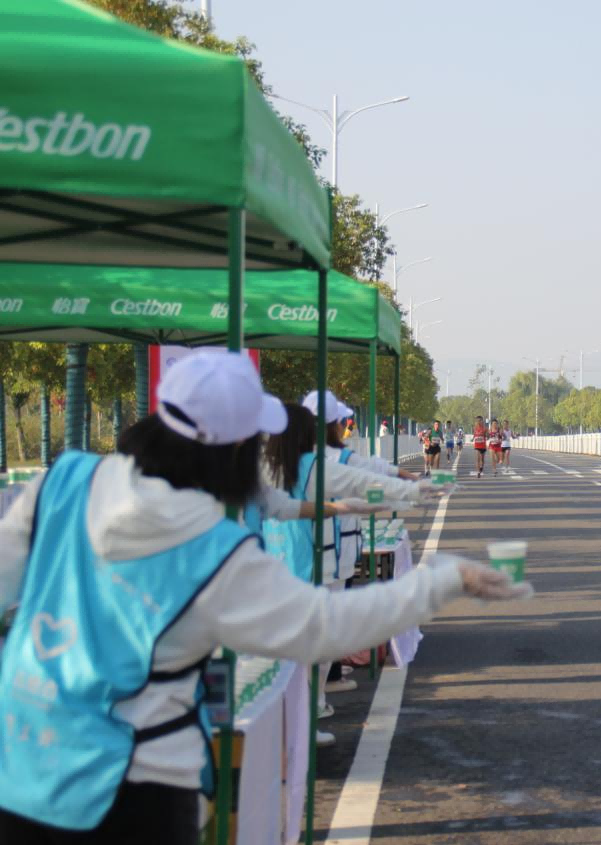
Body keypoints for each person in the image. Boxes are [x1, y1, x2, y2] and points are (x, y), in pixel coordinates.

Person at [0, 350, 527, 844]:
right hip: (133, 789)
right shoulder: (215, 551)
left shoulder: (60, 483)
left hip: (18, 763)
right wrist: (441, 581)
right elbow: (323, 626)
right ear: (234, 449)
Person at [264, 402, 446, 726]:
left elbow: (299, 506)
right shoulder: (312, 466)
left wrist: (343, 507)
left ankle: (294, 717)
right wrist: (411, 492)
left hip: (275, 568)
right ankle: (308, 713)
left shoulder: (263, 468)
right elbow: (362, 484)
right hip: (315, 565)